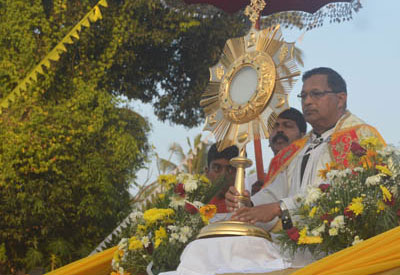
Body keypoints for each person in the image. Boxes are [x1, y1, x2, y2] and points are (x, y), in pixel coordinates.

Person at [226, 67, 385, 231]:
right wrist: (250, 204)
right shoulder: (298, 148)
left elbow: (347, 191)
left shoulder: (359, 137)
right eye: (303, 96)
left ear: (340, 99)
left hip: (338, 242)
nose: (307, 101)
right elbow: (278, 190)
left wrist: (280, 208)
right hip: (294, 243)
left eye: (316, 94)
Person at [249, 108, 307, 195]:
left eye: (287, 125)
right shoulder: (251, 180)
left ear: (302, 136)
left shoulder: (308, 167)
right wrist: (255, 201)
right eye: (274, 126)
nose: (279, 130)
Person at [205, 143, 239, 213]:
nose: (223, 175)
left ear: (242, 174)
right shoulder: (194, 208)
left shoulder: (247, 209)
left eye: (230, 169)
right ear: (207, 172)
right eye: (217, 168)